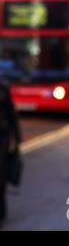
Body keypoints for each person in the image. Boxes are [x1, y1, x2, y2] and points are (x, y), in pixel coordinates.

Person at [0, 80, 22, 227]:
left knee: (0, 176)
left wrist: (17, 139)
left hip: (1, 140)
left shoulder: (2, 88)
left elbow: (11, 114)